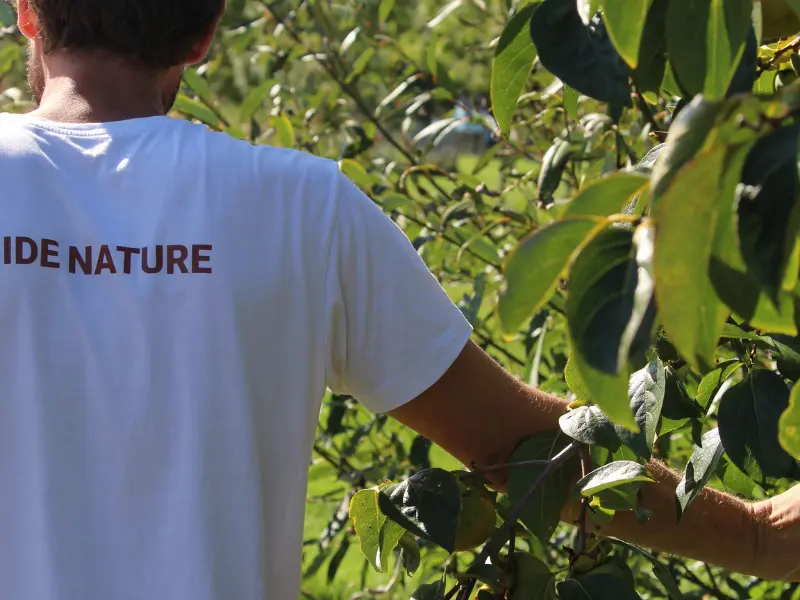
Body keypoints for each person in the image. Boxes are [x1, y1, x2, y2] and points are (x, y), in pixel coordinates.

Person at [0, 0, 797, 598]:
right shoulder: (301, 206)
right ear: (204, 35)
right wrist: (760, 537)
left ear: (27, 12)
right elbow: (516, 446)